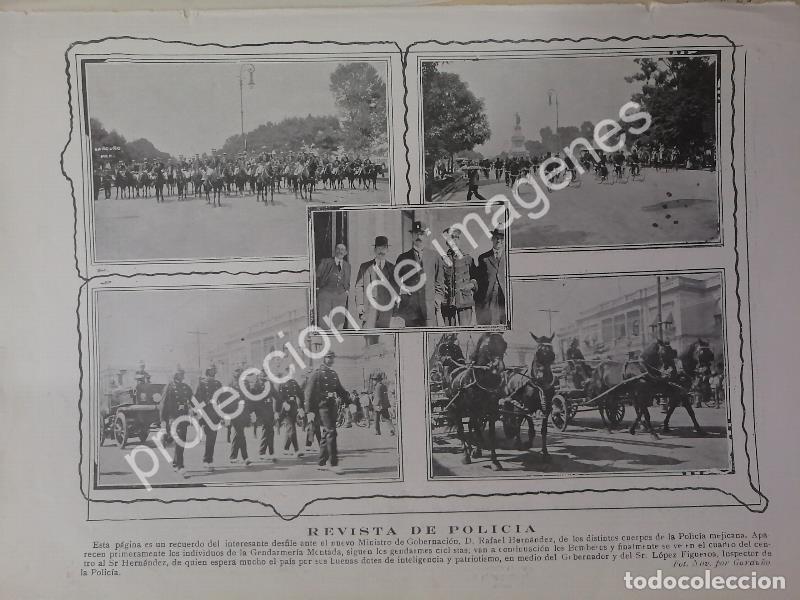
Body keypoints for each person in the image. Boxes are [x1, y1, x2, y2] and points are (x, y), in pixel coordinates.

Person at [304, 351, 350, 473]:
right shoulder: (317, 374)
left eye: (332, 358)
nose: (331, 360)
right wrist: (309, 411)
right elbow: (308, 393)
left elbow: (340, 390)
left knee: (326, 433)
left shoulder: (334, 374)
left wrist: (350, 403)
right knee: (331, 432)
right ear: (323, 358)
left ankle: (321, 462)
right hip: (321, 406)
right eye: (329, 357)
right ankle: (333, 464)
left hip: (332, 406)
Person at [395, 221, 442, 327]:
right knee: (412, 340)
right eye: (415, 233)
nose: (418, 236)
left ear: (425, 236)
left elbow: (440, 281)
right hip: (410, 310)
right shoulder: (403, 258)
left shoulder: (434, 256)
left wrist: (438, 298)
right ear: (411, 236)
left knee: (430, 340)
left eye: (421, 234)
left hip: (429, 308)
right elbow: (395, 283)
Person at [436, 228, 477, 326]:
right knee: (450, 334)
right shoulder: (442, 260)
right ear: (447, 242)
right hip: (448, 301)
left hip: (465, 301)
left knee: (465, 332)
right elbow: (438, 281)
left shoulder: (468, 258)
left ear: (460, 240)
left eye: (457, 238)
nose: (454, 241)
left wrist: (471, 284)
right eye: (451, 239)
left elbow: (476, 277)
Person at [354, 236, 396, 331]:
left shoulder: (392, 268)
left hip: (386, 312)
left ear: (387, 250)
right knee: (369, 339)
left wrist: (395, 312)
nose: (381, 251)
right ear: (374, 249)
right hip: (369, 311)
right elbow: (359, 286)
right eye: (379, 248)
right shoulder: (365, 267)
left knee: (385, 340)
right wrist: (360, 305)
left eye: (384, 248)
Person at [159, 367, 193, 478]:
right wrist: (163, 421)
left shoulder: (185, 387)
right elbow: (163, 405)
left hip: (183, 417)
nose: (182, 375)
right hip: (173, 418)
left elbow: (193, 400)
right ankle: (180, 466)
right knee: (179, 441)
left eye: (182, 373)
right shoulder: (169, 387)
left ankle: (175, 464)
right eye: (179, 374)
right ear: (175, 375)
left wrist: (193, 409)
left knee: (181, 441)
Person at [474, 229, 508, 325]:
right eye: (496, 238)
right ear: (492, 239)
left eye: (502, 239)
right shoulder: (483, 257)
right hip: (489, 296)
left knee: (506, 322)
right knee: (491, 323)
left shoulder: (509, 257)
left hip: (505, 295)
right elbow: (479, 279)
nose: (498, 241)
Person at [316, 243, 351, 329]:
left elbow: (347, 280)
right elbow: (318, 276)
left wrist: (346, 291)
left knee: (338, 320)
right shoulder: (325, 262)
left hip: (340, 296)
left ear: (346, 252)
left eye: (342, 249)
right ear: (335, 251)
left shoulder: (347, 265)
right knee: (324, 320)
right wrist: (318, 289)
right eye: (338, 249)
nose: (340, 251)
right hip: (326, 294)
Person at [245, 370, 278, 463]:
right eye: (261, 375)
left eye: (265, 375)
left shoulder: (269, 384)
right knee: (268, 431)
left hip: (269, 411)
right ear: (258, 376)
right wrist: (253, 413)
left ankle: (265, 452)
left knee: (269, 431)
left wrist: (277, 410)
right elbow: (252, 400)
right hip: (261, 411)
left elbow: (277, 396)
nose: (263, 377)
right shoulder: (255, 386)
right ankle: (267, 453)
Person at [194, 365, 222, 471]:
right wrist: (199, 413)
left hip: (215, 414)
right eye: (211, 370)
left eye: (214, 370)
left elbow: (223, 398)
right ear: (207, 371)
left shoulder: (218, 384)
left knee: (212, 438)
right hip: (205, 413)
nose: (213, 372)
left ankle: (208, 459)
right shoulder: (201, 384)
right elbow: (197, 398)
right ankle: (207, 460)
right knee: (210, 436)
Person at [225, 368, 252, 466]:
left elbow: (249, 398)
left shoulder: (246, 383)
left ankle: (233, 457)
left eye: (239, 372)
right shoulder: (230, 383)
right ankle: (245, 457)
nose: (238, 373)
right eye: (236, 372)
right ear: (233, 373)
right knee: (240, 433)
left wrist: (250, 412)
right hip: (234, 411)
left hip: (244, 411)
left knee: (238, 434)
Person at [277, 369, 304, 457]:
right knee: (292, 429)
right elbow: (279, 396)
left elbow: (300, 394)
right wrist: (284, 403)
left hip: (294, 408)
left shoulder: (294, 382)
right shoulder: (282, 383)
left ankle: (286, 449)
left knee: (290, 429)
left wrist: (301, 408)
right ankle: (296, 450)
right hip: (285, 409)